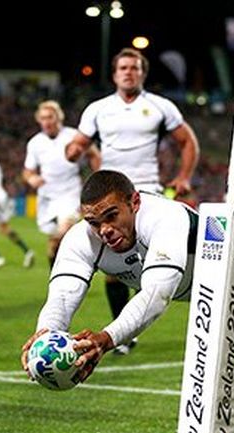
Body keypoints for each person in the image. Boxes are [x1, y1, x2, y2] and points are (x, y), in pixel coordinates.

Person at [21, 170, 234, 388]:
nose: (104, 230)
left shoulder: (164, 217)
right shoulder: (81, 240)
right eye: (94, 222)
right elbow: (63, 295)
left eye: (111, 216)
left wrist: (105, 339)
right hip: (219, 300)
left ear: (134, 202)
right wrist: (45, 331)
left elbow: (155, 296)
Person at [65, 48, 199, 356]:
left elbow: (187, 141)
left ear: (143, 73)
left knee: (156, 263)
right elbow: (80, 143)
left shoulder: (159, 106)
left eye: (135, 68)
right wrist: (73, 150)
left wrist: (184, 176)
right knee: (113, 265)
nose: (129, 72)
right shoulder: (98, 109)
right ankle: (121, 332)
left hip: (146, 193)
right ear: (114, 74)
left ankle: (142, 315)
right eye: (123, 67)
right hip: (108, 194)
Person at [23, 100, 99, 267]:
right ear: (38, 120)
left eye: (50, 117)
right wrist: (31, 179)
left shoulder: (73, 136)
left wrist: (98, 179)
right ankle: (57, 280)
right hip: (47, 198)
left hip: (70, 194)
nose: (47, 122)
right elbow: (27, 171)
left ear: (59, 118)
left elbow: (93, 154)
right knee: (53, 245)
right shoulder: (35, 143)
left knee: (63, 233)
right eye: (43, 118)